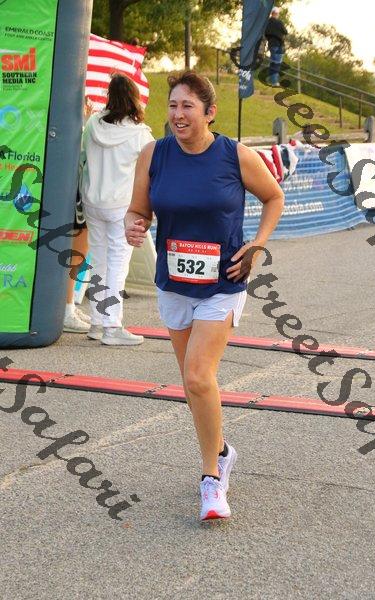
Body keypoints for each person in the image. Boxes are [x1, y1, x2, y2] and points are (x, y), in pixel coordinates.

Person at [125, 71, 284, 520]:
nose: (178, 114)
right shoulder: (154, 154)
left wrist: (257, 245)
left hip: (222, 282)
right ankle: (223, 451)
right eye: (173, 105)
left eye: (188, 106)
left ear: (210, 112)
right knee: (194, 385)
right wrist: (133, 225)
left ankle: (211, 479)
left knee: (197, 376)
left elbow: (274, 197)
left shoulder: (235, 155)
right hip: (174, 283)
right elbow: (138, 209)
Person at [80, 73, 154, 345]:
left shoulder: (93, 124)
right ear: (135, 98)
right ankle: (112, 326)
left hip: (93, 202)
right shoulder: (140, 134)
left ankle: (97, 323)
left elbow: (82, 156)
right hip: (123, 207)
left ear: (109, 95)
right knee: (117, 265)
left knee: (99, 261)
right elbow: (153, 170)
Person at [63, 96, 94, 333]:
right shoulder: (71, 127)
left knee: (77, 252)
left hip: (74, 192)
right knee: (76, 252)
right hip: (72, 193)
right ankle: (66, 309)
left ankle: (68, 306)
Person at [265, 6, 288, 87]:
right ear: (277, 14)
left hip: (271, 44)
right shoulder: (279, 23)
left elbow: (266, 33)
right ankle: (274, 82)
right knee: (277, 63)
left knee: (272, 63)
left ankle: (270, 80)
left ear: (272, 13)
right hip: (278, 45)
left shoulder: (267, 23)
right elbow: (285, 32)